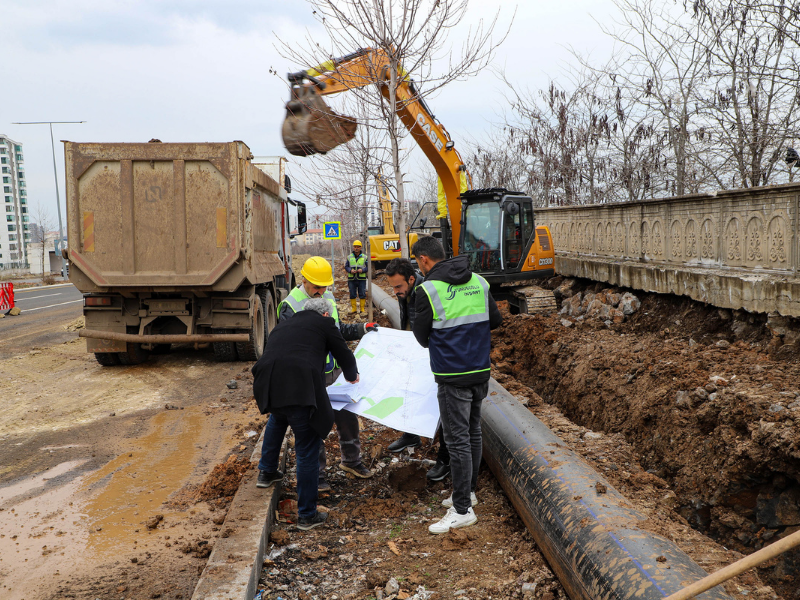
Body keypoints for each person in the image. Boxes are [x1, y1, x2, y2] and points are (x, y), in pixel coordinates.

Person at [411, 236, 502, 534]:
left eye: (417, 262)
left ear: (424, 260)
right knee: (472, 432)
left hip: (452, 376)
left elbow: (422, 338)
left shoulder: (427, 289)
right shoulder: (479, 281)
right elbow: (495, 320)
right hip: (480, 371)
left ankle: (462, 509)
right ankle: (468, 492)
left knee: (458, 440)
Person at [252, 298, 360, 530]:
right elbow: (344, 354)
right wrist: (352, 376)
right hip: (298, 388)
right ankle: (307, 515)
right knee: (307, 446)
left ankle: (266, 473)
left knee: (278, 418)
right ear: (325, 315)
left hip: (268, 384)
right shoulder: (325, 324)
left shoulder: (285, 324)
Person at [277, 256, 377, 491]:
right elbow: (290, 346)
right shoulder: (290, 305)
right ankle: (318, 474)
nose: (321, 291)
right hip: (310, 377)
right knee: (315, 424)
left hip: (335, 373)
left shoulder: (328, 297)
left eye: (324, 286)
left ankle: (352, 461)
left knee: (347, 417)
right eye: (316, 286)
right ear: (304, 280)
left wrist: (363, 329)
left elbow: (337, 331)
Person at [384, 258, 451, 483]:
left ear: (411, 279)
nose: (395, 292)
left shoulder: (426, 292)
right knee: (409, 392)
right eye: (392, 287)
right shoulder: (406, 292)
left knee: (440, 406)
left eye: (398, 286)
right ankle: (411, 436)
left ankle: (445, 457)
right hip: (414, 350)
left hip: (433, 356)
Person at [344, 239, 368, 314]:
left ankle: (362, 309)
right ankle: (354, 309)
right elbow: (346, 266)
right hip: (352, 279)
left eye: (358, 247)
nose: (356, 248)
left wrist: (363, 270)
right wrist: (350, 270)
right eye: (355, 247)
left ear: (361, 248)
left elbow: (368, 267)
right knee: (352, 294)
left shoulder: (365, 257)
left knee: (362, 294)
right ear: (353, 248)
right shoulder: (349, 257)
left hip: (361, 279)